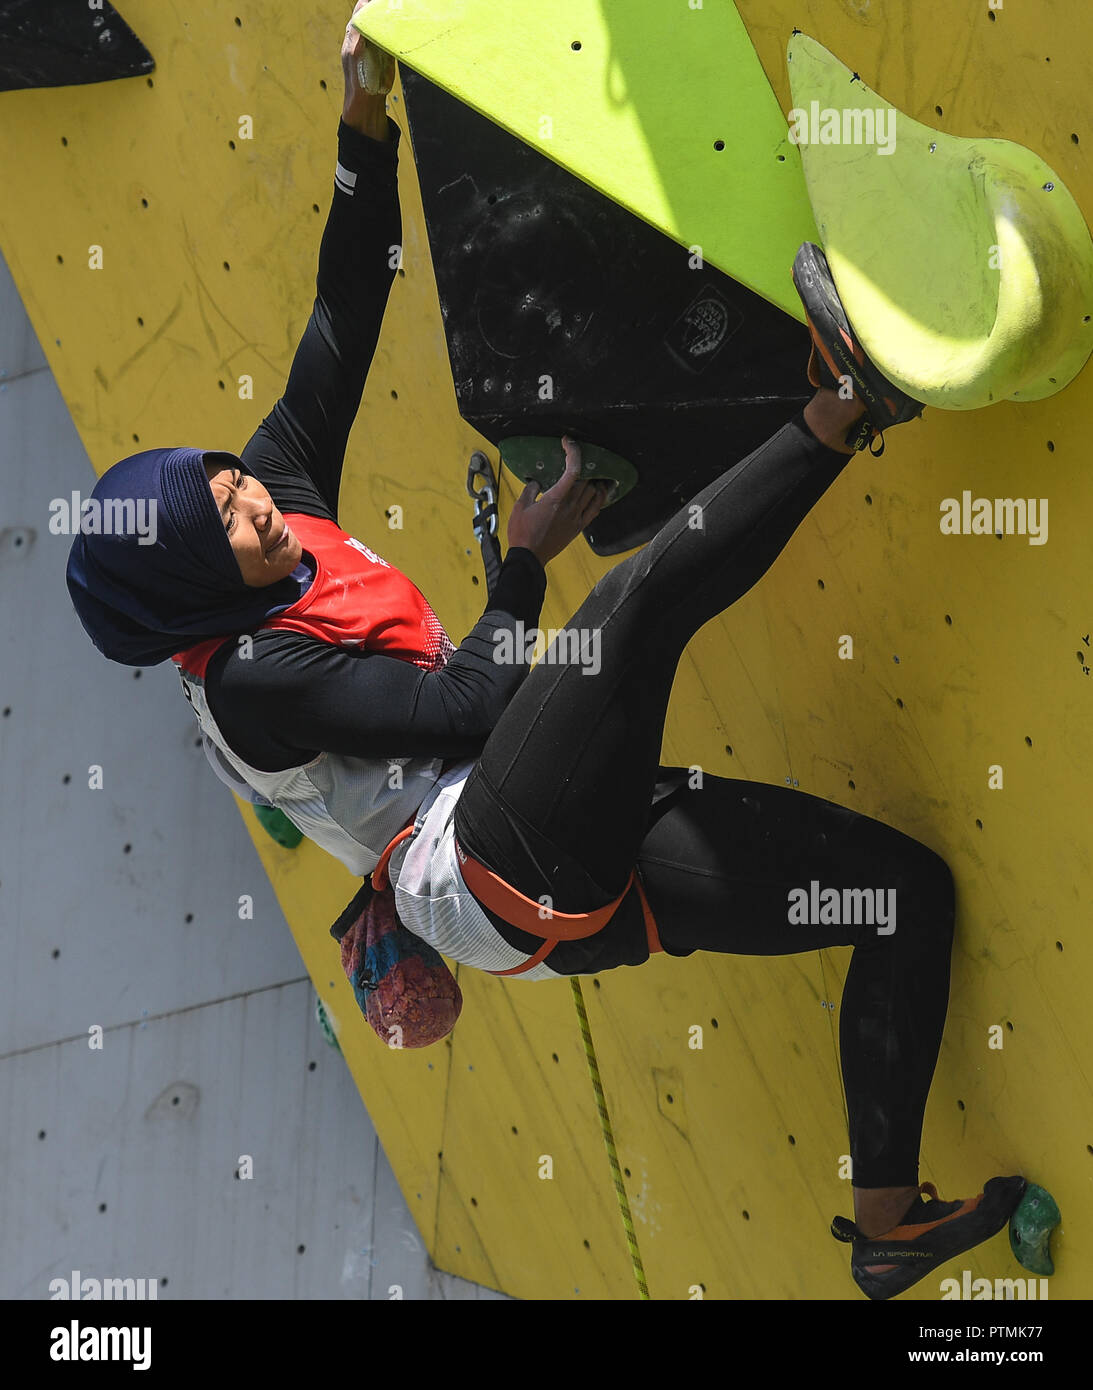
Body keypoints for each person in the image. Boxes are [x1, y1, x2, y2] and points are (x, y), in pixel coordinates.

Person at [65, 1, 1026, 1301]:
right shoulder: (251, 680)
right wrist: (522, 558)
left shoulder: (278, 501)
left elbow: (342, 311)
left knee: (897, 895)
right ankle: (850, 398)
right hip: (489, 863)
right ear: (187, 590)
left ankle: (885, 1219)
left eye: (224, 478)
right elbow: (468, 704)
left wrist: (360, 123)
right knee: (627, 615)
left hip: (578, 867)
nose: (246, 494)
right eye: (221, 518)